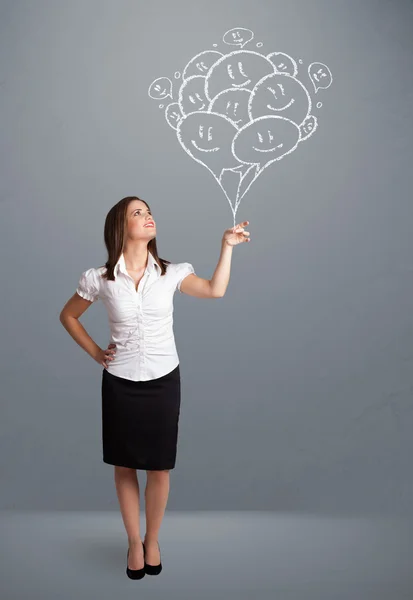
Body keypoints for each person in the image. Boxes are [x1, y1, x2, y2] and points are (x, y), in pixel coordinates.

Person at [59, 195, 250, 578]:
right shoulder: (99, 278)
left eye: (149, 212)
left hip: (164, 380)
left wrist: (226, 247)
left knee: (159, 468)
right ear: (120, 226)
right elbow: (68, 316)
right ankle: (133, 541)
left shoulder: (172, 273)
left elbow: (215, 290)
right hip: (120, 382)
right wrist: (97, 352)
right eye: (138, 213)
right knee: (125, 465)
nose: (148, 217)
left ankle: (152, 540)